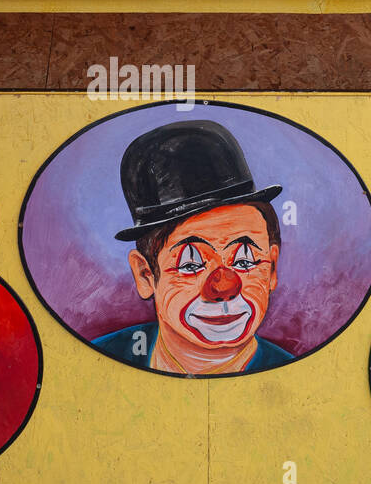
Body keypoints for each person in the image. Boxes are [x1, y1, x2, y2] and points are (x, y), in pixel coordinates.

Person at [93, 120, 292, 375]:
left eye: (245, 261)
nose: (223, 288)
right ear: (145, 275)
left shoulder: (292, 373)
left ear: (272, 268)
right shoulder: (99, 362)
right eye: (190, 264)